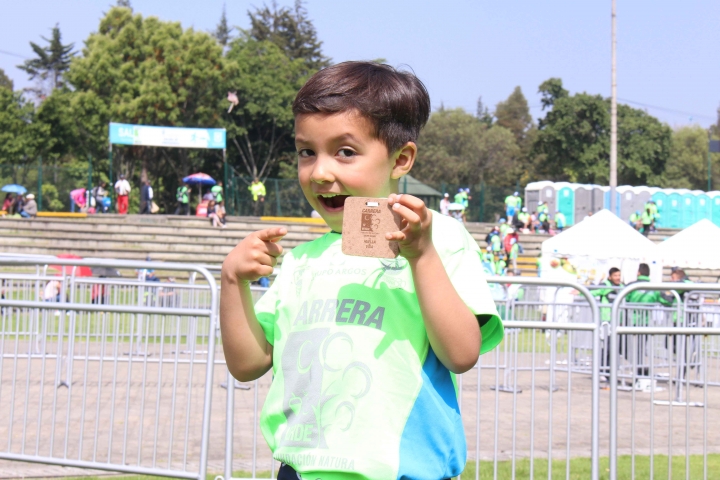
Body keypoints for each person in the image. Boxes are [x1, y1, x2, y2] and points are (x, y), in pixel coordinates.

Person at [220, 61, 504, 480]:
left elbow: (462, 354)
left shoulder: (438, 239)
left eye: (345, 152)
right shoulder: (301, 259)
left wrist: (421, 255)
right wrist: (232, 280)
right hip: (299, 471)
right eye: (306, 152)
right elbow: (248, 364)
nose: (320, 171)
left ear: (401, 158)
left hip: (401, 472)